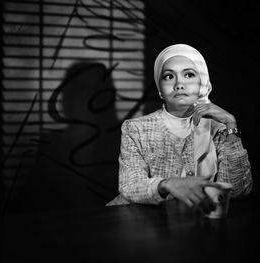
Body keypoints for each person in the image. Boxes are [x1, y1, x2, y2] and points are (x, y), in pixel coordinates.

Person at [106, 44, 252, 213]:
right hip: (136, 220)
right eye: (168, 76)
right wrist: (166, 184)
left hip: (194, 226)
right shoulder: (136, 128)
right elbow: (129, 186)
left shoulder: (218, 128)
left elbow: (237, 191)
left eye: (189, 74)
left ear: (203, 83)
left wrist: (231, 124)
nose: (178, 84)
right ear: (160, 89)